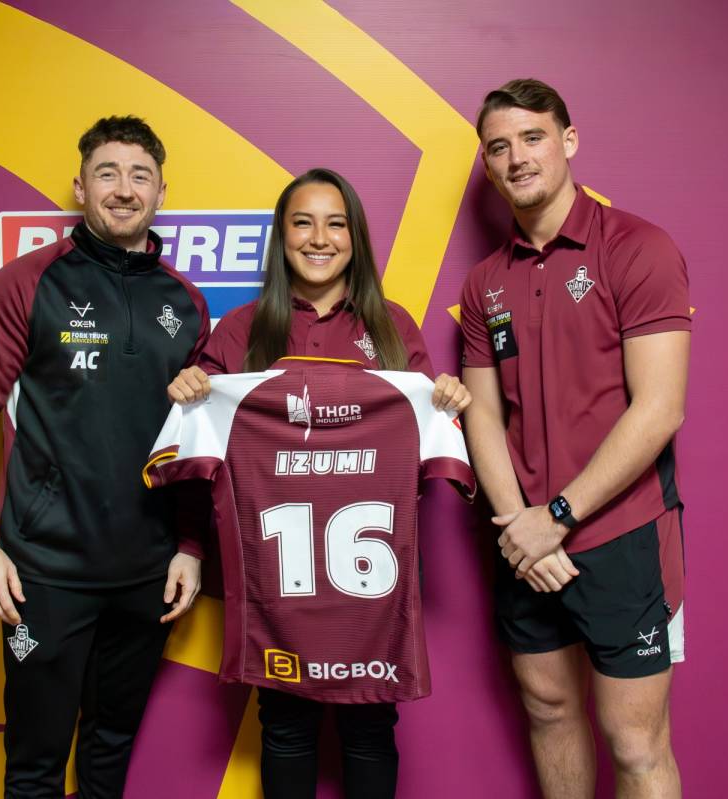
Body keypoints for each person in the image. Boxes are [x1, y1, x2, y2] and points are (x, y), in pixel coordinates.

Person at [166, 168, 470, 799]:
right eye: (302, 223)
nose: (319, 238)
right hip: (278, 576)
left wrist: (444, 401)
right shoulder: (243, 329)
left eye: (335, 224)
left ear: (355, 237)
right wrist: (192, 393)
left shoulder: (392, 327)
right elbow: (198, 454)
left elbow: (424, 443)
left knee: (370, 727)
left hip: (371, 578)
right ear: (281, 237)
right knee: (284, 725)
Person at [0, 115, 209, 798]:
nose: (124, 189)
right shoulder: (26, 283)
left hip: (146, 574)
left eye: (140, 175)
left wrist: (189, 544)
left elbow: (193, 436)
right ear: (80, 187)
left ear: (161, 191)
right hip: (44, 574)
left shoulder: (185, 302)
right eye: (107, 173)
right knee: (35, 766)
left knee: (108, 756)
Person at [459, 79, 690, 799]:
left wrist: (557, 517)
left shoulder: (638, 247)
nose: (517, 157)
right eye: (499, 146)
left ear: (568, 140)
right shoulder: (484, 283)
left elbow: (660, 409)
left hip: (620, 532)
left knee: (636, 742)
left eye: (532, 137)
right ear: (487, 164)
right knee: (549, 710)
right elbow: (483, 414)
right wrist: (519, 525)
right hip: (523, 537)